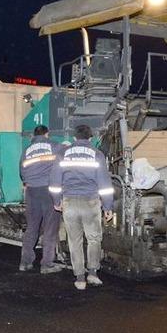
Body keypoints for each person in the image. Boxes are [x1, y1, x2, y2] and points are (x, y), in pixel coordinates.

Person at [49, 124, 114, 290]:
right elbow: (104, 184)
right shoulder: (97, 154)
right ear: (90, 138)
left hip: (69, 202)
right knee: (94, 239)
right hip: (91, 202)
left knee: (74, 240)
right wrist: (108, 207)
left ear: (74, 138)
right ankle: (92, 274)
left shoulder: (62, 154)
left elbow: (55, 182)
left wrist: (57, 201)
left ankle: (79, 278)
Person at [18, 125, 63, 274]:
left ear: (34, 135)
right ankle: (47, 264)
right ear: (47, 134)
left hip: (31, 191)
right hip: (48, 191)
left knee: (32, 227)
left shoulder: (26, 151)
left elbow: (21, 172)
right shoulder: (54, 146)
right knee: (50, 228)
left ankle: (25, 262)